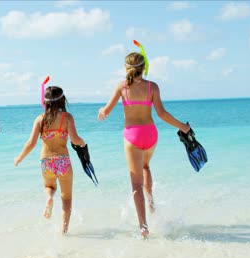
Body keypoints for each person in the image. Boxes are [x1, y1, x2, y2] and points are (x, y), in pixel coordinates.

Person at [97, 50, 190, 238]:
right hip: (150, 134)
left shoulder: (121, 87)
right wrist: (183, 127)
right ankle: (151, 204)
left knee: (136, 185)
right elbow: (162, 114)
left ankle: (144, 227)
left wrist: (101, 112)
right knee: (146, 166)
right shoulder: (152, 87)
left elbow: (106, 111)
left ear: (126, 68)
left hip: (132, 136)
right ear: (144, 67)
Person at [14, 86, 86, 234]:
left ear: (45, 102)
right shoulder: (67, 118)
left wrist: (19, 157)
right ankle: (64, 231)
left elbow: (31, 143)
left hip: (46, 162)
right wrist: (83, 144)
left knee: (50, 187)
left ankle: (48, 198)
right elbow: (75, 139)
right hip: (63, 161)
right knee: (66, 198)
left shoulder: (40, 119)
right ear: (62, 101)